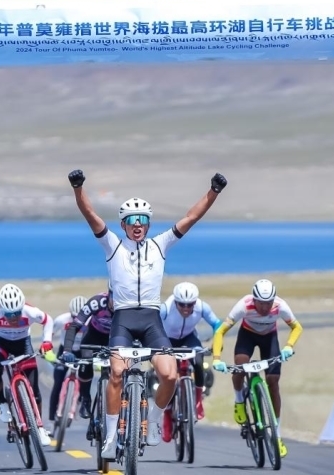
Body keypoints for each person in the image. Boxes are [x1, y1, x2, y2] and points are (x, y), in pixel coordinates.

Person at [68, 168, 227, 458]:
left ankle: (152, 421)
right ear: (123, 225)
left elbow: (191, 217)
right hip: (124, 320)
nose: (138, 224)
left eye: (142, 219)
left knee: (170, 375)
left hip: (152, 320)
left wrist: (213, 191)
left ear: (149, 223)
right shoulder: (113, 245)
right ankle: (111, 436)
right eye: (132, 220)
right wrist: (78, 188)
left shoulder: (160, 245)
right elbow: (90, 214)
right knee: (117, 373)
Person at [211, 278, 303, 458]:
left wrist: (288, 346)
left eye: (269, 303)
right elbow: (220, 331)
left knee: (273, 382)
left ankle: (276, 436)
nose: (265, 307)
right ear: (254, 300)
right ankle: (239, 401)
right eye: (261, 303)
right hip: (247, 336)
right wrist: (216, 359)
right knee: (240, 367)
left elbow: (297, 327)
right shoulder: (244, 305)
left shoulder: (280, 306)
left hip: (270, 338)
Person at [0, 283, 54, 447]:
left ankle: (39, 427)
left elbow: (48, 320)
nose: (14, 317)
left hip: (23, 344)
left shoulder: (30, 311)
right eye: (9, 314)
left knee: (35, 391)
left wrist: (47, 341)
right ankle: (2, 403)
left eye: (17, 313)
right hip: (0, 343)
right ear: (2, 310)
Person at [159, 281, 221, 436]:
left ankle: (198, 401)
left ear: (195, 302)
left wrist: (217, 342)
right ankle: (167, 414)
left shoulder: (202, 307)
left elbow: (217, 324)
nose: (186, 308)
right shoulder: (166, 308)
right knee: (170, 377)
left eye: (190, 304)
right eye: (182, 305)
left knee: (199, 362)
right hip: (168, 340)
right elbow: (152, 325)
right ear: (175, 301)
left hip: (189, 338)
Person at [60, 292, 114, 421]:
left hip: (115, 337)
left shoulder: (126, 304)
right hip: (93, 336)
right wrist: (67, 351)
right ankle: (85, 399)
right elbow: (74, 326)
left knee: (120, 368)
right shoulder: (97, 302)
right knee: (85, 365)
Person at [48, 294, 87, 422]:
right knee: (58, 381)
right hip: (65, 350)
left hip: (82, 351)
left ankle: (81, 402)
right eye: (74, 317)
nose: (78, 320)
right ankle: (52, 417)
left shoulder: (92, 321)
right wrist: (48, 352)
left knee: (85, 379)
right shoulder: (61, 320)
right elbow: (48, 334)